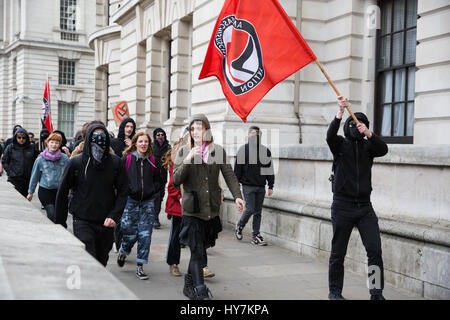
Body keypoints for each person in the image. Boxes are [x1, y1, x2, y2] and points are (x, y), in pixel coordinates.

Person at [173, 114, 245, 300]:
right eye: (192, 128)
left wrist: (237, 196)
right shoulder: (183, 151)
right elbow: (175, 180)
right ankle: (200, 290)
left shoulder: (217, 151)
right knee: (196, 250)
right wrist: (189, 158)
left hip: (211, 210)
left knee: (200, 249)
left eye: (199, 128)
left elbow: (229, 175)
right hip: (192, 210)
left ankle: (188, 284)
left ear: (207, 130)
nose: (195, 131)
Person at [326, 96, 388, 300]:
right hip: (342, 206)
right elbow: (329, 136)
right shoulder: (340, 146)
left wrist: (369, 134)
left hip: (365, 208)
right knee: (337, 254)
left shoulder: (369, 147)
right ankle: (335, 292)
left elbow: (383, 149)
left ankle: (376, 292)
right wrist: (340, 113)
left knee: (374, 251)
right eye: (351, 124)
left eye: (359, 124)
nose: (355, 126)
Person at [55, 123, 128, 267]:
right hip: (82, 220)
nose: (99, 140)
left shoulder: (115, 163)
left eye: (102, 136)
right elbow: (62, 192)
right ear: (88, 138)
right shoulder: (76, 163)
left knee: (101, 261)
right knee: (89, 260)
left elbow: (124, 191)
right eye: (95, 136)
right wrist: (59, 223)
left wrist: (114, 216)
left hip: (106, 222)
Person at [116, 132, 163, 280]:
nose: (143, 144)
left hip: (147, 202)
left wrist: (153, 192)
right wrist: (127, 192)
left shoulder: (153, 161)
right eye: (140, 141)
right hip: (130, 201)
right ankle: (124, 249)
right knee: (128, 231)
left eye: (146, 142)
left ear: (149, 144)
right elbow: (119, 180)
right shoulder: (127, 159)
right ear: (135, 143)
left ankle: (140, 266)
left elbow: (159, 181)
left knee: (145, 235)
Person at [234, 126, 275, 246]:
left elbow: (269, 169)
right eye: (253, 133)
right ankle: (240, 225)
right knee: (250, 209)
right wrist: (236, 188)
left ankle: (256, 235)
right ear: (248, 136)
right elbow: (237, 170)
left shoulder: (265, 151)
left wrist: (271, 185)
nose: (256, 135)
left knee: (258, 212)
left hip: (261, 186)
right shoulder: (243, 150)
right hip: (247, 186)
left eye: (258, 133)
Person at [162, 129, 189, 277]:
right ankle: (173, 263)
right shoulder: (177, 158)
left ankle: (201, 266)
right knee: (176, 235)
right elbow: (172, 184)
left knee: (198, 236)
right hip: (179, 204)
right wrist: (180, 197)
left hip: (195, 204)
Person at [27, 133, 69, 222]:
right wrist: (30, 192)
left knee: (60, 218)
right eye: (52, 142)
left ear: (60, 144)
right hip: (45, 190)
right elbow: (35, 176)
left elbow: (69, 175)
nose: (54, 145)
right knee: (51, 214)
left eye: (57, 143)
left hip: (59, 192)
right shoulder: (40, 159)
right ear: (47, 143)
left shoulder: (64, 158)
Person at [110, 117, 137, 252]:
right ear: (122, 128)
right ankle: (117, 242)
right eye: (127, 126)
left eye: (131, 127)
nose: (129, 129)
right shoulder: (114, 143)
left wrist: (132, 146)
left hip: (132, 184)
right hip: (116, 184)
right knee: (118, 215)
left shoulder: (136, 143)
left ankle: (123, 242)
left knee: (129, 218)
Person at [1, 128, 39, 197]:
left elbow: (36, 162)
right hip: (14, 178)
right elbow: (4, 161)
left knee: (25, 200)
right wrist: (10, 171)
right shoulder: (10, 147)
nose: (21, 139)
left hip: (27, 179)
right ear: (16, 137)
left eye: (23, 138)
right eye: (19, 137)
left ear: (26, 138)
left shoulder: (32, 148)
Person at [152, 128, 171, 229]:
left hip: (163, 177)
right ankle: (155, 218)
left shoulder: (168, 147)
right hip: (152, 177)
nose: (160, 136)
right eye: (158, 135)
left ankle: (155, 215)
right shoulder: (151, 147)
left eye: (162, 134)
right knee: (156, 197)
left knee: (161, 196)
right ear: (155, 136)